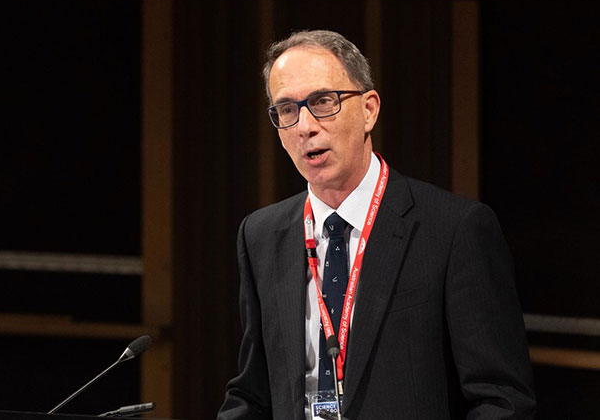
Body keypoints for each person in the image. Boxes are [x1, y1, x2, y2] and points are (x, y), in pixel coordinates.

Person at [217, 30, 535, 420]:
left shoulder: (454, 229)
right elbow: (253, 393)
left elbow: (502, 401)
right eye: (286, 109)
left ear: (369, 109)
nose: (305, 126)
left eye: (322, 102)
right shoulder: (261, 235)